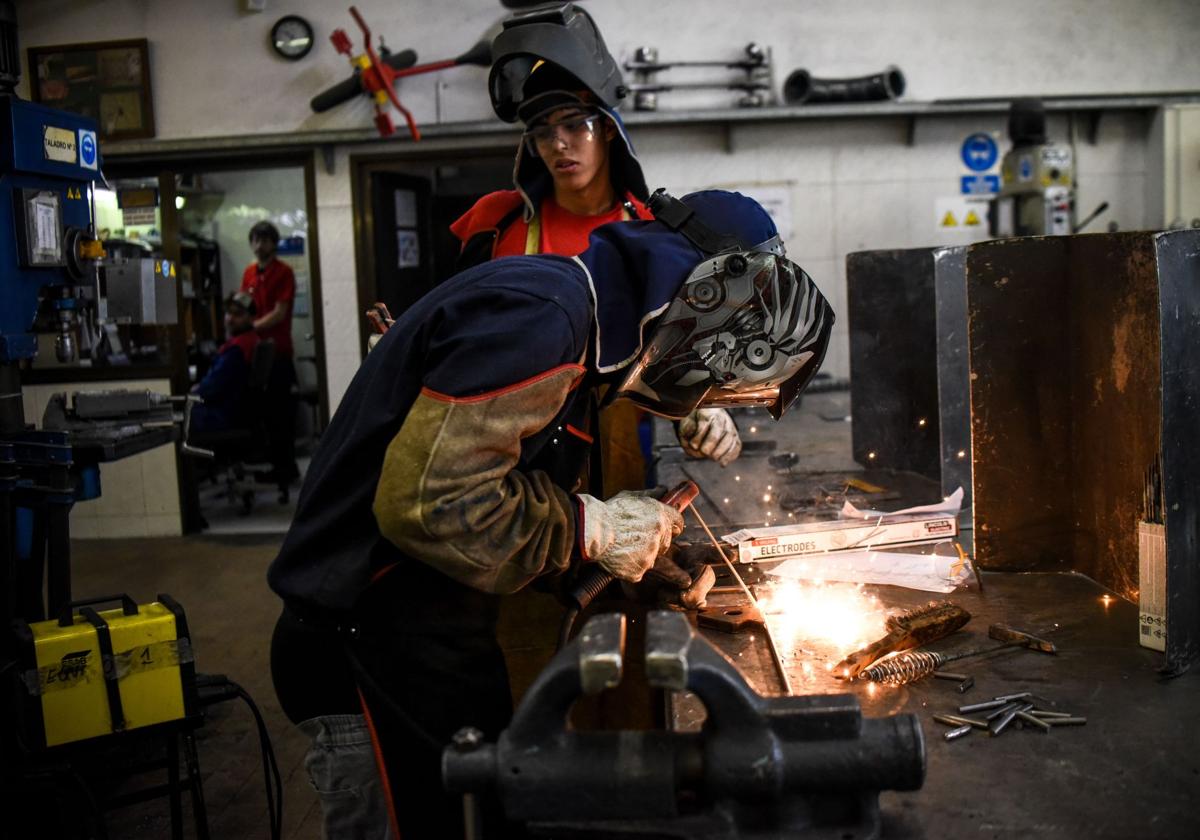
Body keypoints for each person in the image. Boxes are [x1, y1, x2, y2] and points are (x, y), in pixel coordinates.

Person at [268, 188, 834, 838]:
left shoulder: (582, 340)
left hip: (432, 639)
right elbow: (428, 505)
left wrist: (634, 551)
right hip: (368, 652)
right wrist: (593, 527)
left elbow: (502, 505)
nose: (710, 377)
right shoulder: (539, 316)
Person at [453, 13, 742, 491]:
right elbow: (461, 334)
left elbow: (675, 351)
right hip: (509, 459)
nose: (559, 144)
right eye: (543, 132)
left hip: (621, 455)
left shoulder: (654, 235)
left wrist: (702, 408)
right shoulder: (495, 223)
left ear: (608, 129)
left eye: (574, 125)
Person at [240, 220, 299, 484]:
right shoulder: (249, 273)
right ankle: (274, 465)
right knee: (262, 413)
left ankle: (287, 468)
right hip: (254, 352)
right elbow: (243, 306)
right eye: (256, 240)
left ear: (274, 244)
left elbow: (280, 312)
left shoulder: (284, 272)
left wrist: (251, 325)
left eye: (265, 240)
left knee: (280, 414)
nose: (259, 245)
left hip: (278, 353)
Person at [189, 292, 260, 434]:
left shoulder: (237, 349)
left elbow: (211, 388)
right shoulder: (251, 340)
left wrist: (194, 391)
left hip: (225, 414)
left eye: (238, 314)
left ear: (252, 318)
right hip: (236, 411)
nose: (230, 319)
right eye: (228, 313)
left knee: (182, 413)